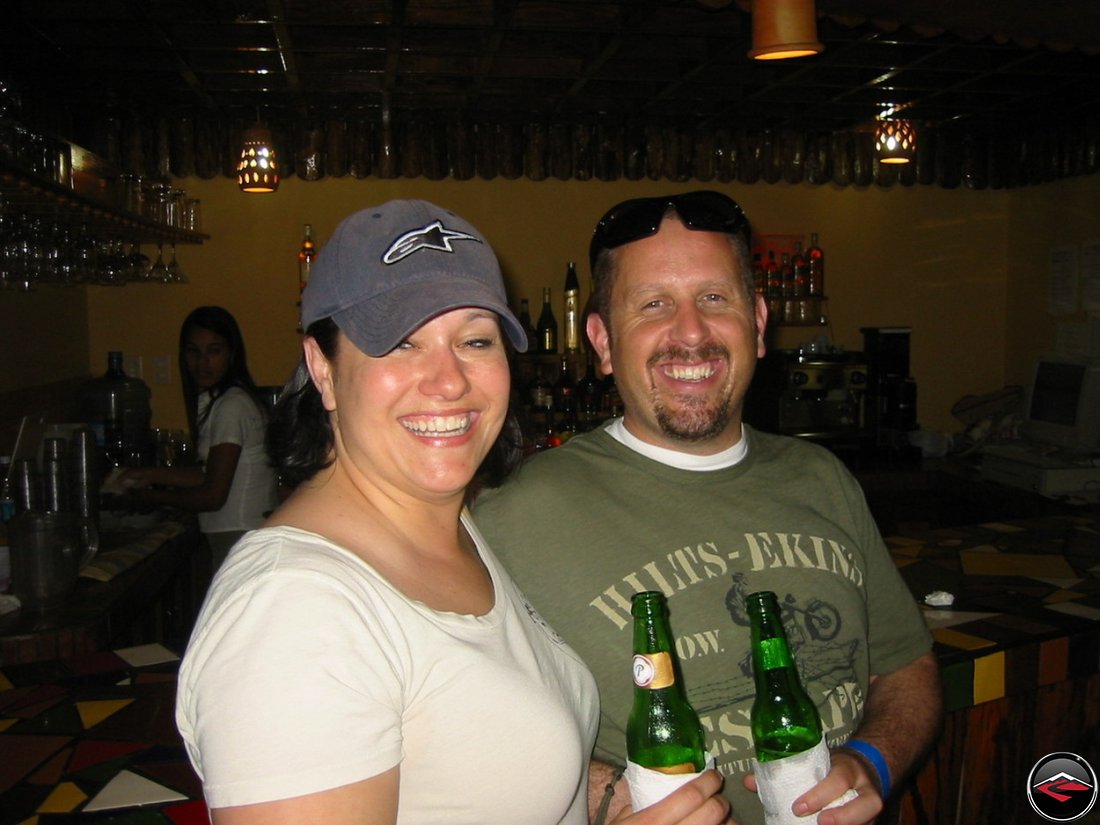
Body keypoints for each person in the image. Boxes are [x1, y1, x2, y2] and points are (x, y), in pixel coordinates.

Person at [174, 199, 730, 825]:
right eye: (401, 343)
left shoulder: (451, 525)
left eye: (474, 340)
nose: (448, 380)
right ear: (322, 369)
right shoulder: (293, 613)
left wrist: (607, 801)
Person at [473, 190, 942, 825]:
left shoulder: (823, 478)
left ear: (758, 322)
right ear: (603, 341)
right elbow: (454, 726)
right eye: (654, 305)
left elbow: (906, 664)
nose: (690, 333)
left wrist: (874, 759)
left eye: (715, 299)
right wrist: (608, 797)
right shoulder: (512, 514)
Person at [119, 305, 278, 567]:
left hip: (239, 537)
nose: (202, 362)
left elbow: (212, 495)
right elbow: (209, 473)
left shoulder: (231, 406)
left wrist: (153, 497)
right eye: (194, 351)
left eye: (214, 351)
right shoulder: (220, 399)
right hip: (241, 535)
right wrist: (148, 475)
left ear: (231, 354)